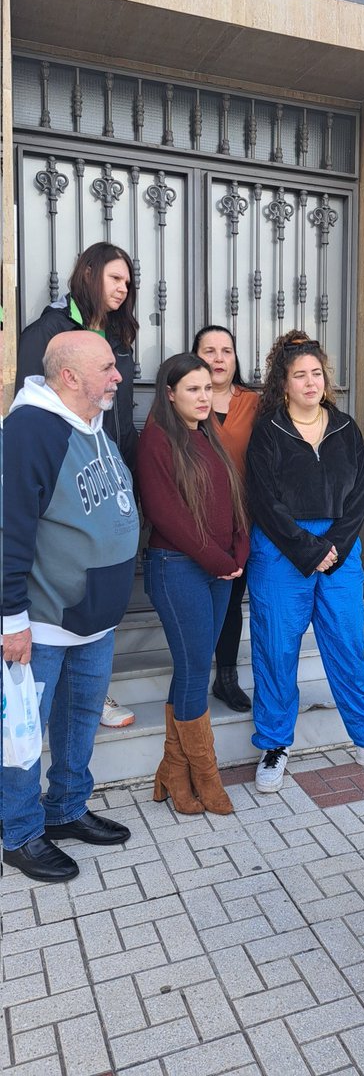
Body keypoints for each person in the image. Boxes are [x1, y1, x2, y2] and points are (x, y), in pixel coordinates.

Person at [246, 331, 364, 794]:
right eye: (299, 375)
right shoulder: (269, 432)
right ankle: (274, 745)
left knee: (347, 644)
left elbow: (361, 496)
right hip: (282, 550)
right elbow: (263, 500)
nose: (310, 382)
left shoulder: (347, 429)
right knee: (277, 650)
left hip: (341, 550)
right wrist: (307, 548)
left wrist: (337, 546)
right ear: (282, 384)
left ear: (327, 379)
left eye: (316, 374)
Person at [1, 333, 139, 883]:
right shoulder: (31, 429)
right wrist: (10, 619)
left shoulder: (93, 422)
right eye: (107, 367)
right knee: (24, 734)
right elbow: (10, 531)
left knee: (81, 719)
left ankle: (66, 809)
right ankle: (20, 832)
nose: (118, 377)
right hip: (42, 621)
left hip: (93, 618)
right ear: (69, 376)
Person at [15, 241, 140, 731]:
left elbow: (122, 417)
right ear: (89, 275)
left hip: (108, 475)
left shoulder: (118, 336)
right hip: (64, 499)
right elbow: (32, 420)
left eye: (128, 282)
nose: (122, 289)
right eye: (115, 278)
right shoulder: (48, 333)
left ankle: (95, 694)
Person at [136, 353, 249, 816]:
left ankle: (172, 771)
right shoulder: (157, 441)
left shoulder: (207, 436)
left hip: (220, 569)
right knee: (194, 670)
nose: (204, 397)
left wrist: (238, 553)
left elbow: (233, 497)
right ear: (169, 393)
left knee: (191, 666)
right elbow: (167, 516)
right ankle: (205, 775)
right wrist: (217, 560)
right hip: (178, 567)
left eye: (208, 388)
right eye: (193, 390)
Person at [192, 326, 259, 712]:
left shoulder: (255, 404)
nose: (218, 359)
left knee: (231, 602)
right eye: (209, 350)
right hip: (192, 527)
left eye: (226, 351)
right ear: (195, 356)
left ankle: (227, 677)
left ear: (236, 359)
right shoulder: (179, 401)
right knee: (196, 604)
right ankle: (192, 675)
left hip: (241, 526)